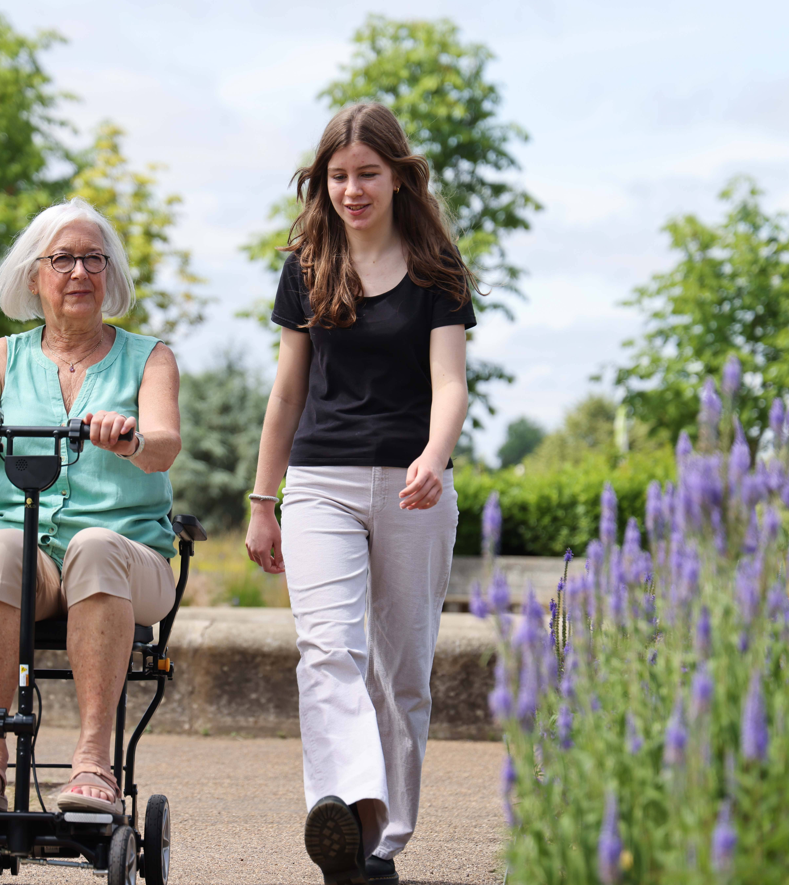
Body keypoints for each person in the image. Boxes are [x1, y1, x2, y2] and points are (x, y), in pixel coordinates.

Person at [245, 103, 475, 885]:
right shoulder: (306, 265)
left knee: (402, 672)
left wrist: (434, 457)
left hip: (414, 487)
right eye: (338, 176)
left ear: (397, 177)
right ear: (323, 182)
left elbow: (450, 382)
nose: (351, 190)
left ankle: (383, 842)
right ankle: (347, 813)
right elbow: (286, 392)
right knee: (326, 649)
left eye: (367, 174)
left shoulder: (436, 267)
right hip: (319, 482)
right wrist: (262, 499)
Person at [0, 197, 181, 816]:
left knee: (94, 547)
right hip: (29, 563)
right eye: (62, 259)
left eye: (94, 259)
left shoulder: (150, 357)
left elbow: (164, 448)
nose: (79, 273)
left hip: (129, 560)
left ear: (110, 274)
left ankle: (94, 760)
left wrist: (132, 440)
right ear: (33, 276)